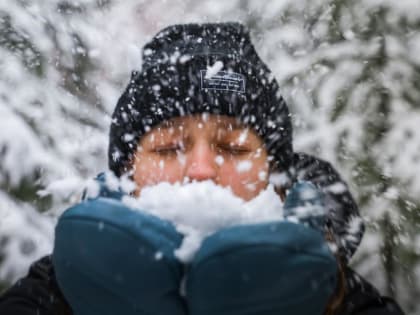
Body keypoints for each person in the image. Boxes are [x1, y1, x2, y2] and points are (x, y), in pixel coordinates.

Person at [0, 22, 404, 315]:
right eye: (167, 148)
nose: (201, 169)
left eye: (232, 146)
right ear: (128, 175)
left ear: (276, 179)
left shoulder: (335, 294)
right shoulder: (59, 288)